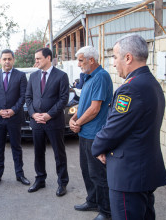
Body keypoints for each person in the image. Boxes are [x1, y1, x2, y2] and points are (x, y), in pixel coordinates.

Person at [92, 34, 166, 220]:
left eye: (115, 57)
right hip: (143, 170)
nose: (114, 63)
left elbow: (113, 129)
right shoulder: (150, 82)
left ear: (128, 58)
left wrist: (97, 147)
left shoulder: (131, 89)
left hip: (129, 175)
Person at [69, 46, 112, 220]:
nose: (78, 64)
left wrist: (77, 123)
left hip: (95, 134)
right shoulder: (88, 78)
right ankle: (93, 201)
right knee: (87, 170)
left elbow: (95, 109)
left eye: (80, 60)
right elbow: (83, 104)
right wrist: (73, 119)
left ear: (91, 60)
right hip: (84, 133)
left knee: (98, 174)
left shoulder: (101, 77)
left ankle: (106, 211)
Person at [25, 47, 69, 197]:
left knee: (59, 153)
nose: (36, 61)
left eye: (38, 58)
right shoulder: (33, 76)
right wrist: (33, 114)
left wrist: (49, 115)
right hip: (37, 122)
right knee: (38, 152)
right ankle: (40, 179)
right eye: (36, 58)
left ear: (48, 58)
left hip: (54, 122)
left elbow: (63, 99)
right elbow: (28, 97)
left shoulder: (61, 76)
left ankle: (62, 182)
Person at [0, 49, 30, 187]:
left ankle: (20, 174)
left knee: (16, 147)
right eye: (4, 59)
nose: (7, 61)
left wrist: (13, 110)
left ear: (13, 60)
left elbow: (23, 96)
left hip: (14, 118)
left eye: (9, 59)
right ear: (0, 60)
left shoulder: (21, 76)